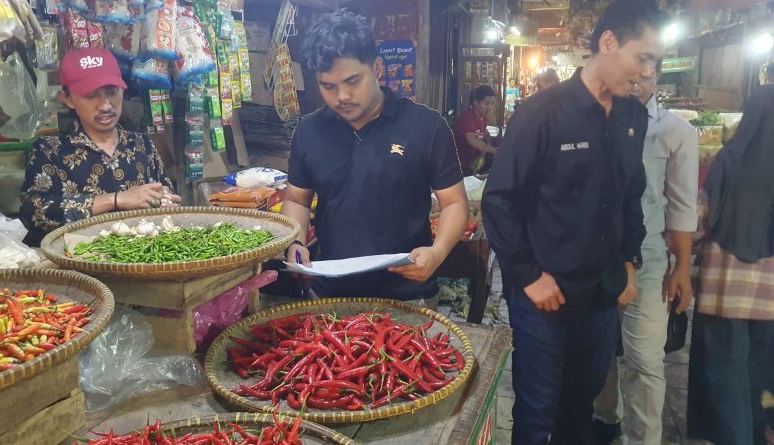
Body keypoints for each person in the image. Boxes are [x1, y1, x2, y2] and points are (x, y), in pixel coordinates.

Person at [481, 0, 666, 443]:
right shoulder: (542, 113)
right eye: (643, 57)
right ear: (609, 42)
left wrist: (629, 261)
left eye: (654, 62)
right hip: (545, 297)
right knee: (537, 413)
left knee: (580, 406)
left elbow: (630, 196)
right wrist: (528, 276)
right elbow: (499, 201)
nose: (647, 72)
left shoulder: (632, 116)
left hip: (601, 296)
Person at [281, 11, 469, 307]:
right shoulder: (309, 130)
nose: (342, 96)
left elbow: (455, 203)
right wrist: (295, 242)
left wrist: (438, 251)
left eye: (352, 81)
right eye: (328, 86)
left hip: (409, 295)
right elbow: (297, 200)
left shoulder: (426, 127)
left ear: (377, 68)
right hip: (329, 292)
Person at [592, 59, 699, 445]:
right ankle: (605, 416)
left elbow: (682, 205)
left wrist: (682, 267)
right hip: (596, 257)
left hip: (649, 260)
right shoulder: (595, 121)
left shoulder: (675, 131)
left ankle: (643, 438)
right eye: (631, 73)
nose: (636, 81)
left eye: (646, 73)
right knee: (599, 348)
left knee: (645, 360)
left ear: (658, 76)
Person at [20, 48, 180, 246]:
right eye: (90, 95)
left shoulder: (142, 145)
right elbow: (34, 211)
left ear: (123, 90)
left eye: (112, 92)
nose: (105, 106)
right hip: (79, 262)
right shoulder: (50, 150)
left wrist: (163, 200)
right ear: (67, 99)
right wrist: (116, 199)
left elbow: (166, 194)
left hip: (141, 258)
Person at [687, 84, 774, 445]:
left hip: (723, 294)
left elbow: (697, 219)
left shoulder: (729, 160)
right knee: (761, 380)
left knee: (725, 379)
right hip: (770, 301)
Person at [453, 85, 497, 176]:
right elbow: (471, 140)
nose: (489, 107)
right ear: (476, 103)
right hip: (458, 168)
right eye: (486, 103)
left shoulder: (483, 119)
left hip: (471, 167)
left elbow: (482, 138)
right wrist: (494, 150)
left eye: (492, 104)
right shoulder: (467, 117)